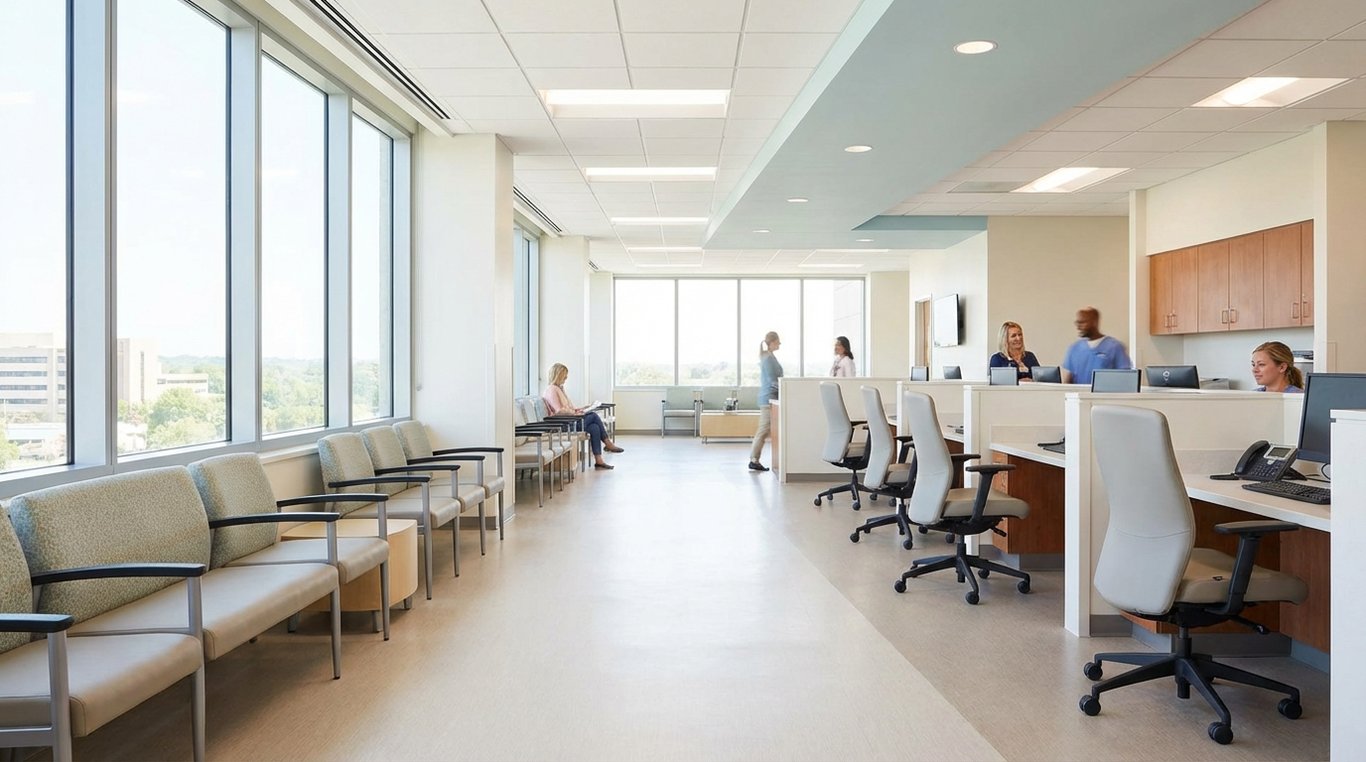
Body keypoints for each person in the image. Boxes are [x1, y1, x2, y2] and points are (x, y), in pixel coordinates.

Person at [543, 362, 622, 470]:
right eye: (564, 375)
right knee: (593, 416)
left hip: (571, 420)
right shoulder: (552, 389)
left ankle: (599, 460)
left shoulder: (559, 389)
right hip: (564, 425)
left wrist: (581, 409)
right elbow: (559, 411)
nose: (566, 378)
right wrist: (575, 413)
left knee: (594, 428)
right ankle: (607, 442)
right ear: (558, 375)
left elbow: (567, 408)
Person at [1061, 307, 1131, 385]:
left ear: (1094, 322)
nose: (1078, 327)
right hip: (1079, 395)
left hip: (1104, 396)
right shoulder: (1074, 348)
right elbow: (1068, 380)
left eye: (1082, 322)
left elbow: (1125, 379)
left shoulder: (1115, 347)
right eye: (1077, 323)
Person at [748, 331, 784, 472]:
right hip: (768, 397)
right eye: (778, 341)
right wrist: (785, 388)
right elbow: (772, 380)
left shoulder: (769, 357)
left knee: (765, 429)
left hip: (771, 397)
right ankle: (754, 459)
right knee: (763, 429)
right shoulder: (768, 359)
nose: (780, 344)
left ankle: (754, 459)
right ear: (772, 342)